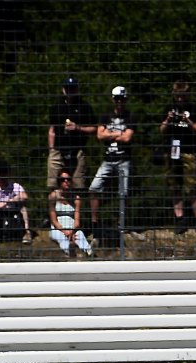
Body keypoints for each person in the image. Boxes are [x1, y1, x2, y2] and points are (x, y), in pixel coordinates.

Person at [158, 81, 196, 233]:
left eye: (183, 95)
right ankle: (180, 218)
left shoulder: (194, 108)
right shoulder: (168, 108)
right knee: (174, 185)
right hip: (171, 151)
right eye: (177, 95)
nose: (180, 98)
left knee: (193, 185)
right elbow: (161, 130)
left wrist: (188, 121)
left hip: (189, 151)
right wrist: (168, 120)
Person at [89, 86, 135, 235]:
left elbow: (127, 138)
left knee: (124, 193)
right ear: (112, 99)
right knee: (94, 188)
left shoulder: (130, 117)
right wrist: (118, 133)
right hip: (108, 159)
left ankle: (122, 223)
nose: (119, 102)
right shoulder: (105, 116)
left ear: (125, 99)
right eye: (116, 99)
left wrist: (109, 133)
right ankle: (94, 222)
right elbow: (99, 136)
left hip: (124, 159)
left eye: (121, 99)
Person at [47, 77, 97, 190]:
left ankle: (77, 207)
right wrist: (51, 149)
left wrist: (78, 128)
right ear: (63, 90)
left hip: (78, 149)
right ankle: (53, 207)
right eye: (68, 88)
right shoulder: (56, 107)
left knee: (78, 184)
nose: (70, 91)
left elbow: (94, 129)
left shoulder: (84, 107)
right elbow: (52, 130)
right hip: (58, 149)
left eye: (73, 88)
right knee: (53, 184)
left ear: (77, 89)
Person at [48, 170, 93, 258]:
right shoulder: (53, 196)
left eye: (68, 179)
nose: (66, 181)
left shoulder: (76, 198)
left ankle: (89, 252)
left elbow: (77, 221)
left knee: (80, 236)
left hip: (73, 228)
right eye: (63, 179)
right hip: (58, 228)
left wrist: (72, 232)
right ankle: (70, 252)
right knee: (61, 238)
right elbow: (54, 220)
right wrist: (65, 231)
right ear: (59, 182)